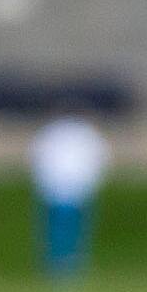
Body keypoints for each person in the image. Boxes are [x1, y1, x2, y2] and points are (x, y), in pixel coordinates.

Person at [28, 114, 107, 280]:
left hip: (76, 190)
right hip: (56, 190)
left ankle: (71, 266)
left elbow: (97, 160)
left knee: (75, 231)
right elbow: (39, 159)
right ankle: (57, 266)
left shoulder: (84, 135)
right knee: (57, 231)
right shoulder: (53, 134)